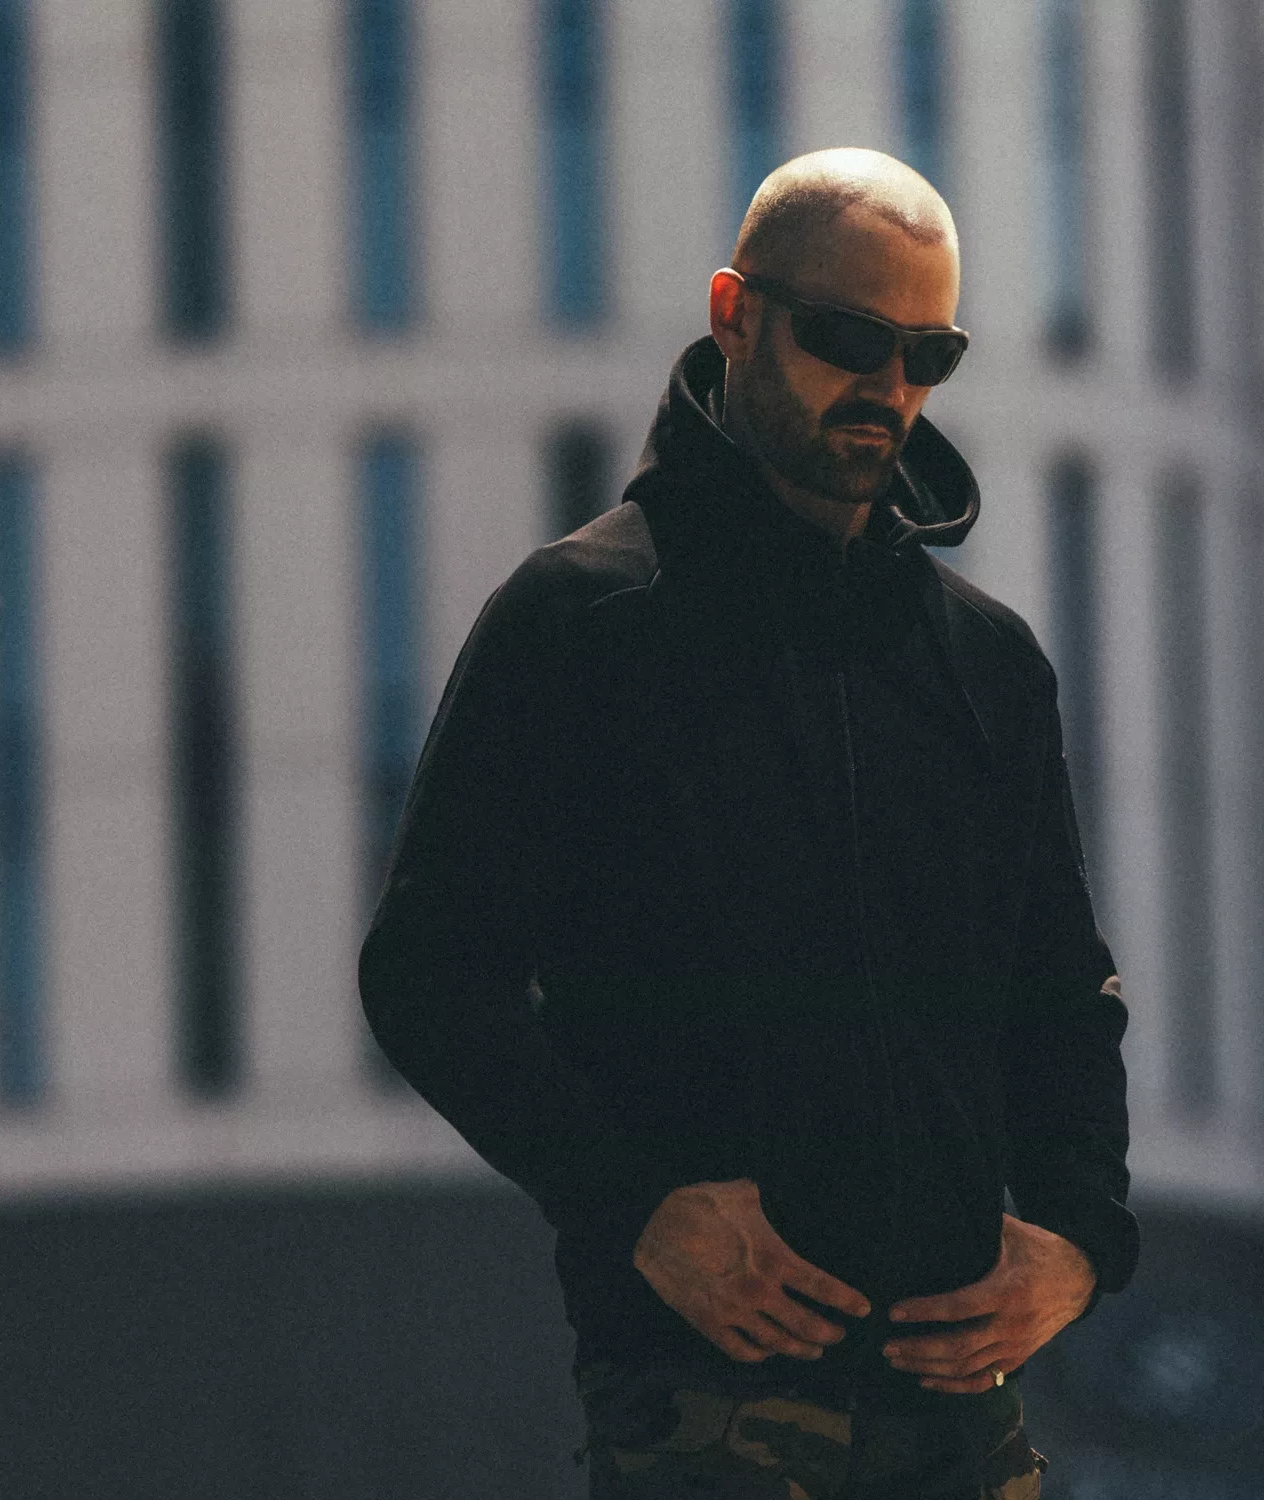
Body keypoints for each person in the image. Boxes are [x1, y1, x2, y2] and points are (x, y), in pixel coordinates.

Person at [358, 147, 1138, 1499]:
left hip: (962, 1433)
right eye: (848, 339)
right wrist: (634, 1206)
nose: (888, 386)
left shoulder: (985, 663)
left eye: (929, 354)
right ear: (734, 315)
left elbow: (1063, 996)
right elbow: (427, 975)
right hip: (705, 1423)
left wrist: (1079, 1240)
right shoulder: (584, 620)